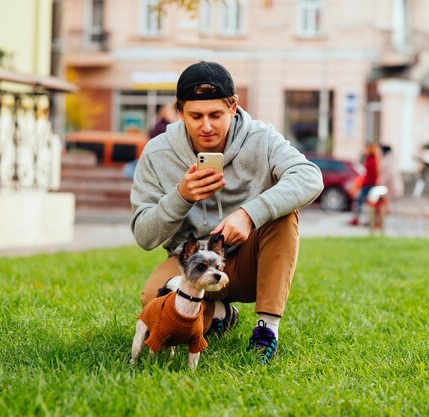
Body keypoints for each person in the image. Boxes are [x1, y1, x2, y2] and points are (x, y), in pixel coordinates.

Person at [130, 61, 324, 363]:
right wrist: (181, 196)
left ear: (233, 108)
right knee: (154, 302)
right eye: (195, 116)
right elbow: (143, 235)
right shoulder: (157, 153)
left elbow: (310, 177)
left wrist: (249, 214)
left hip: (248, 261)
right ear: (180, 112)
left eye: (215, 115)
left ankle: (266, 329)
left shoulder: (261, 138)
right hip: (192, 265)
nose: (206, 126)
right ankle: (219, 312)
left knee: (284, 213)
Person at [350, 143, 379, 225]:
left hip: (368, 184)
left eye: (365, 149)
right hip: (369, 184)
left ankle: (359, 219)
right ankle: (363, 219)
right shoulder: (371, 159)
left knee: (359, 201)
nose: (364, 150)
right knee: (365, 203)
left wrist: (364, 183)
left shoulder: (372, 160)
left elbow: (371, 174)